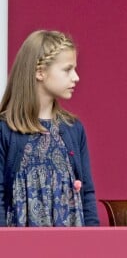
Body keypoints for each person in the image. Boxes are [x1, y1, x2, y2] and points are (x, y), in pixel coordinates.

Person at [0, 30, 100, 227]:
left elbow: (87, 192)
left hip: (71, 248)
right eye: (67, 69)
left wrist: (93, 242)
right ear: (40, 72)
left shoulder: (74, 129)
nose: (76, 77)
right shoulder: (5, 130)